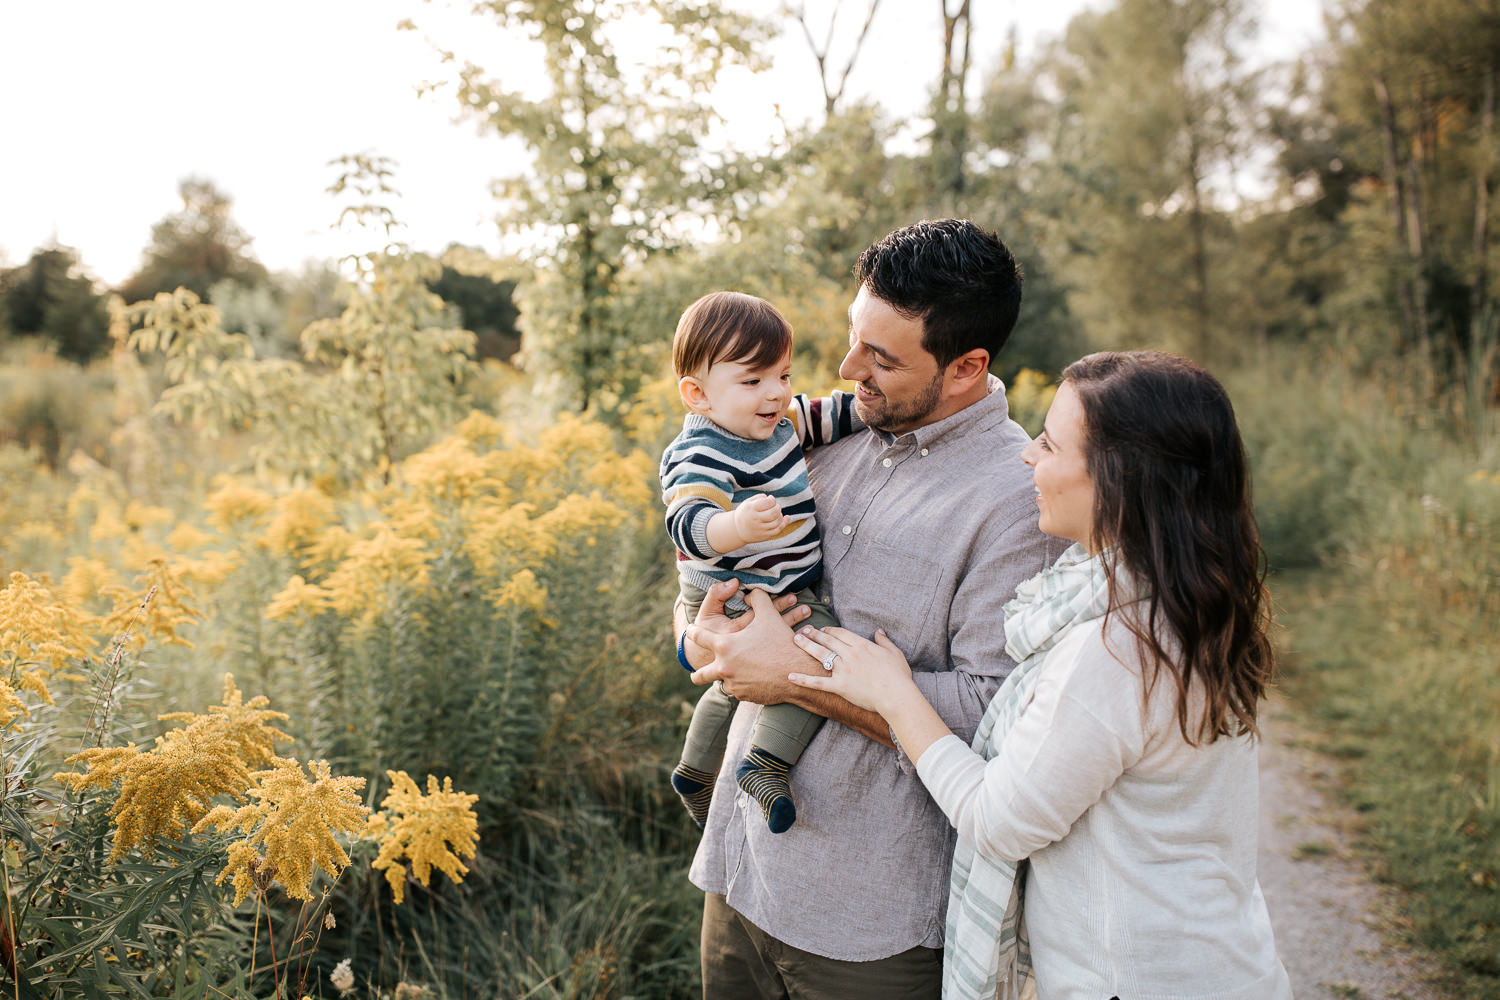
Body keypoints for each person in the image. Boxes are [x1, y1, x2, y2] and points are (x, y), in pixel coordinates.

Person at [789, 350, 1294, 1000]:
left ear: (1119, 478)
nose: (1029, 456)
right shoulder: (1192, 605)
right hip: (1222, 962)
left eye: (1051, 444)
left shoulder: (1116, 649)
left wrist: (896, 695)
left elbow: (997, 820)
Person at [680, 219, 1056, 998]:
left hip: (867, 930)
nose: (849, 368)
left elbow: (998, 715)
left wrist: (795, 678)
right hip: (738, 872)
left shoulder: (1019, 503)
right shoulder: (811, 437)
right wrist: (701, 630)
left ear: (966, 367)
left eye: (881, 358)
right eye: (856, 339)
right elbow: (712, 564)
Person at [661, 290, 860, 835]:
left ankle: (695, 772)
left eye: (784, 375)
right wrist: (736, 527)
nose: (775, 394)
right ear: (697, 395)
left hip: (764, 582)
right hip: (733, 588)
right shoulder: (702, 452)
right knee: (820, 651)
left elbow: (828, 414)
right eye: (752, 381)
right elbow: (687, 525)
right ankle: (766, 764)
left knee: (732, 681)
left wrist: (869, 409)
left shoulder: (776, 422)